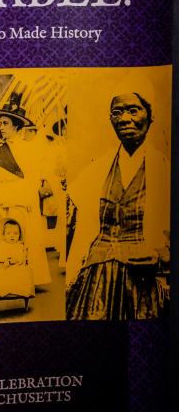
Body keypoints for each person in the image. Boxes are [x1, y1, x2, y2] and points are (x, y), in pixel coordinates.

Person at [66, 90, 170, 320]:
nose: (124, 119)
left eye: (133, 110)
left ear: (150, 117)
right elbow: (82, 230)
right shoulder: (97, 170)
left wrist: (161, 256)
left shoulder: (164, 168)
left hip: (144, 279)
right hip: (98, 278)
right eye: (117, 112)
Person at [0, 94, 52, 286]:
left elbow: (33, 179)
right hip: (1, 201)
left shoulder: (28, 149)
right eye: (0, 123)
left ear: (16, 126)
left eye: (5, 123)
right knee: (3, 242)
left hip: (21, 200)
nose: (0, 127)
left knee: (23, 241)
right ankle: (4, 280)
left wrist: (25, 199)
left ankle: (25, 280)